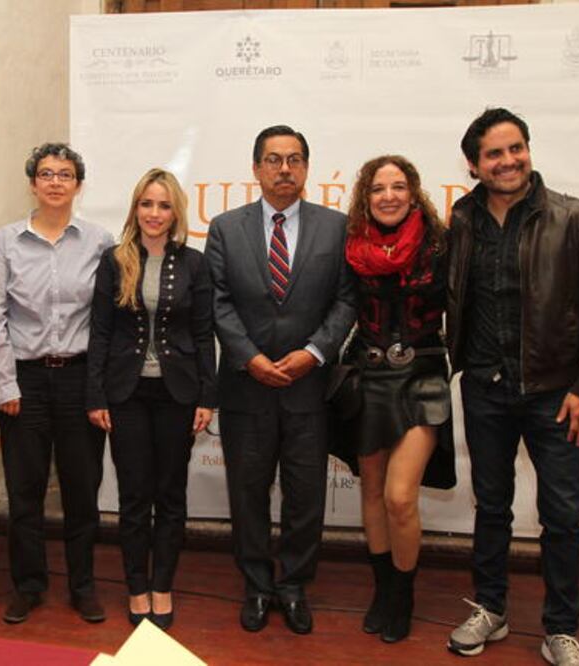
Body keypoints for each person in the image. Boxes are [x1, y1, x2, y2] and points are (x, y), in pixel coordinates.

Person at [446, 108, 579, 665]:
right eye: (494, 154)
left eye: (516, 148)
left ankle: (561, 629)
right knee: (491, 506)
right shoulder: (463, 218)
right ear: (475, 165)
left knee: (562, 515)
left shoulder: (577, 219)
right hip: (485, 389)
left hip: (557, 394)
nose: (509, 161)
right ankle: (490, 609)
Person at [205, 125, 355, 635]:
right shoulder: (226, 228)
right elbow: (218, 300)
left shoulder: (336, 228)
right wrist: (249, 358)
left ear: (307, 168)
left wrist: (313, 353)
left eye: (294, 160)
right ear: (256, 169)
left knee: (305, 493)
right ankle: (256, 585)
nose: (284, 169)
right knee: (247, 492)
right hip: (247, 387)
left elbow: (346, 299)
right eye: (273, 160)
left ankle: (292, 585)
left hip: (309, 387)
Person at [0, 142, 114, 624]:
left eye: (65, 174)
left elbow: (106, 323)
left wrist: (100, 389)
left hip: (80, 380)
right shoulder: (7, 241)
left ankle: (83, 586)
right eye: (45, 173)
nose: (55, 181)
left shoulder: (99, 242)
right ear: (33, 183)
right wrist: (5, 387)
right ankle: (29, 585)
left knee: (82, 491)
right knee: (25, 492)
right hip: (26, 382)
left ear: (78, 185)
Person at [85, 168, 217, 630]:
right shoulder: (113, 260)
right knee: (135, 496)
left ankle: (163, 586)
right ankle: (137, 589)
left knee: (171, 494)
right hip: (126, 393)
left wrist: (207, 395)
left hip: (177, 394)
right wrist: (96, 394)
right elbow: (100, 332)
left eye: (163, 205)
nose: (154, 214)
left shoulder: (195, 264)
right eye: (147, 204)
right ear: (135, 208)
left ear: (175, 212)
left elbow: (204, 335)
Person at [339, 155, 454, 643]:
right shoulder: (353, 245)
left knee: (400, 497)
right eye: (379, 188)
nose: (389, 195)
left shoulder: (441, 242)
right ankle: (383, 588)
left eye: (398, 186)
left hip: (423, 376)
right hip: (369, 376)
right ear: (367, 196)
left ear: (413, 192)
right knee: (370, 492)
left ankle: (403, 593)